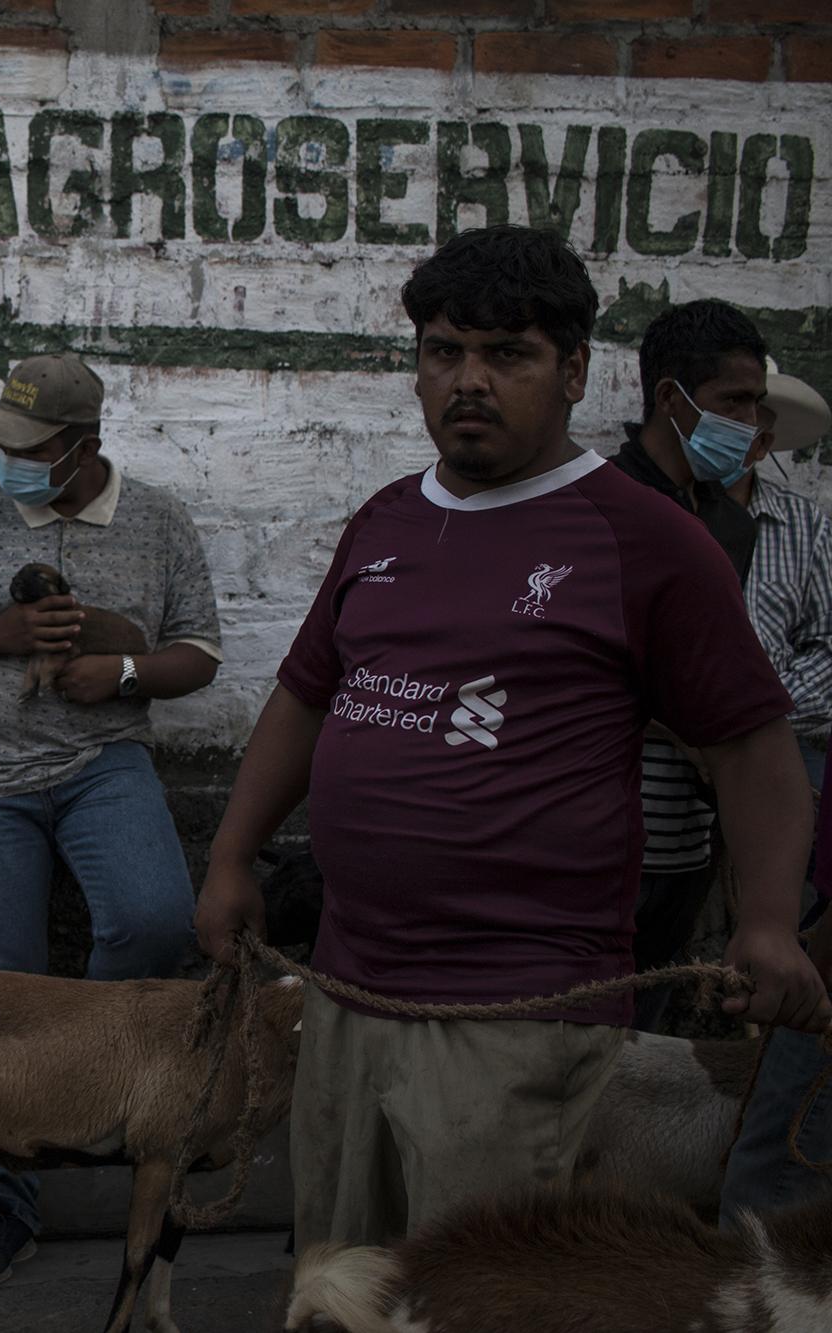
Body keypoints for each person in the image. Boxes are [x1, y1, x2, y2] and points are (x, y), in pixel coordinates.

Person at [194, 224, 830, 1253]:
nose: (467, 381)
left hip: (518, 1015)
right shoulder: (386, 520)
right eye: (443, 352)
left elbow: (749, 749)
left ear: (572, 370)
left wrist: (763, 922)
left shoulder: (641, 538)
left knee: (480, 1293)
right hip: (348, 989)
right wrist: (228, 859)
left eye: (507, 355)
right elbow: (304, 698)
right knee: (342, 1284)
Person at [0, 353, 220, 1287]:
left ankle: (86, 1073)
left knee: (155, 917)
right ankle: (2, 1205)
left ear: (85, 446)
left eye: (33, 449)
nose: (13, 463)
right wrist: (0, 636)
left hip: (100, 762)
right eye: (8, 444)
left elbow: (200, 651)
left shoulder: (156, 520)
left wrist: (119, 674)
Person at [607, 299, 771, 1029]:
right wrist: (706, 732)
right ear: (671, 400)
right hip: (611, 827)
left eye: (756, 404)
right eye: (733, 401)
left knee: (641, 1015)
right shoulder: (607, 509)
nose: (751, 422)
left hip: (687, 835)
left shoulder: (725, 521)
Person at [718, 359, 832, 1220]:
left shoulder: (804, 526)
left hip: (789, 745)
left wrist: (762, 699)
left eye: (759, 421)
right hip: (673, 757)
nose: (745, 435)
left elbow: (827, 646)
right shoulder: (658, 517)